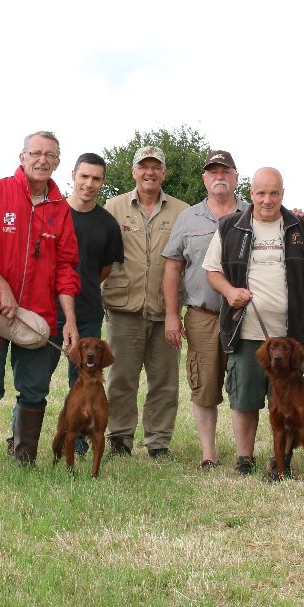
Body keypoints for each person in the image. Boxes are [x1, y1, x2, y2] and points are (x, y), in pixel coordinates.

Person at [0, 131, 80, 471]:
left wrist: (69, 319)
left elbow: (66, 267)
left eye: (51, 155)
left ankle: (24, 460)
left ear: (58, 163)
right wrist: (1, 287)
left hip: (38, 317)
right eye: (36, 153)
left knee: (34, 389)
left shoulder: (60, 208)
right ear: (22, 157)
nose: (43, 160)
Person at [203, 167, 304, 476]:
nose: (267, 200)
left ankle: (280, 460)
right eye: (261, 193)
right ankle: (245, 459)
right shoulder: (230, 227)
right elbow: (212, 271)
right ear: (251, 193)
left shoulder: (302, 228)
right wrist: (230, 291)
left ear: (283, 194)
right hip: (246, 331)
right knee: (244, 398)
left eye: (274, 193)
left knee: (288, 400)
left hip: (290, 334)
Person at [6, 152, 124, 457]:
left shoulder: (108, 225)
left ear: (102, 182)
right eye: (84, 176)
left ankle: (80, 442)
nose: (89, 183)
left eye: (96, 178)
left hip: (86, 314)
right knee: (35, 381)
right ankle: (18, 440)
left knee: (85, 383)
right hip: (44, 313)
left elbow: (105, 269)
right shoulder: (51, 212)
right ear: (73, 175)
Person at [162, 150, 248, 470]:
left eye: (225, 170)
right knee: (204, 385)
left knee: (243, 383)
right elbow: (172, 267)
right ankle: (208, 454)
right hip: (203, 314)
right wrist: (172, 315)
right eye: (212, 171)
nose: (219, 176)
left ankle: (244, 455)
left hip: (245, 315)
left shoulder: (254, 213)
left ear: (236, 176)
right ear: (204, 178)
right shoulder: (188, 218)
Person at [102, 146, 189, 457]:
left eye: (156, 167)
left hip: (166, 310)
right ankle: (120, 438)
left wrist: (176, 311)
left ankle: (158, 442)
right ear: (133, 171)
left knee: (164, 381)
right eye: (144, 166)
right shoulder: (113, 207)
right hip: (123, 307)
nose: (149, 172)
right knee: (121, 378)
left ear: (164, 173)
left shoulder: (182, 210)